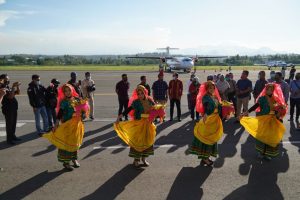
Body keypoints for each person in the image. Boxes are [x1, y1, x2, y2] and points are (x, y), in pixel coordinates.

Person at [43, 84, 89, 171]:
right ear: (64, 92)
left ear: (72, 90)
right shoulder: (63, 102)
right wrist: (56, 125)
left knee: (75, 143)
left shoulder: (78, 100)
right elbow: (59, 115)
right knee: (66, 144)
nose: (67, 92)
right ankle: (66, 162)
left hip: (76, 126)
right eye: (65, 91)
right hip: (67, 125)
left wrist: (83, 114)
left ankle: (74, 159)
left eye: (69, 90)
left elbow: (84, 111)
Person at [114, 85, 158, 168]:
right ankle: (136, 160)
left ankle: (144, 159)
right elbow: (129, 109)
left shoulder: (150, 100)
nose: (140, 95)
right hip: (138, 124)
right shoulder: (136, 102)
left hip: (148, 125)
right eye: (138, 94)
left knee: (147, 141)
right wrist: (121, 116)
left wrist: (159, 111)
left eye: (141, 93)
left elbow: (155, 109)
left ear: (145, 93)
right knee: (138, 142)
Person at [240, 83, 287, 160]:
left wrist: (281, 110)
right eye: (268, 89)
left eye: (271, 90)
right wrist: (245, 112)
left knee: (269, 137)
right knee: (262, 137)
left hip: (272, 121)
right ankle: (260, 152)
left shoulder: (275, 99)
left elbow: (276, 111)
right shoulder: (262, 99)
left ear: (273, 90)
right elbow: (255, 106)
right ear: (265, 90)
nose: (269, 91)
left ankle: (267, 153)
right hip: (263, 120)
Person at [189, 81, 223, 166]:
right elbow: (207, 107)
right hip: (208, 119)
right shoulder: (206, 97)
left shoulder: (214, 96)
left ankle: (206, 157)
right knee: (206, 138)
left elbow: (218, 106)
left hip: (215, 120)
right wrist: (206, 114)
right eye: (210, 88)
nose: (212, 89)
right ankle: (205, 158)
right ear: (207, 89)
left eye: (213, 88)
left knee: (212, 138)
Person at [0, 74, 21, 145]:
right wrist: (13, 87)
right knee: (9, 124)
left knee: (13, 123)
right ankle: (9, 139)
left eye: (8, 79)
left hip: (13, 108)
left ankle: (13, 136)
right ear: (2, 79)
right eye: (6, 79)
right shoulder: (2, 87)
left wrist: (17, 86)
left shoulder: (7, 86)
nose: (8, 80)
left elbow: (17, 93)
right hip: (8, 109)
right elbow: (10, 97)